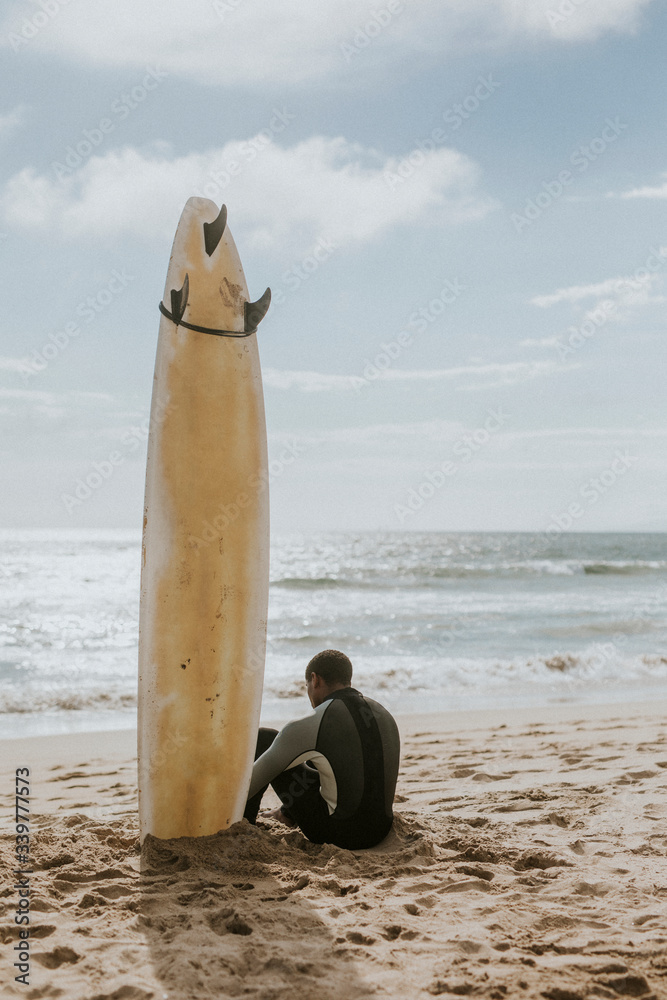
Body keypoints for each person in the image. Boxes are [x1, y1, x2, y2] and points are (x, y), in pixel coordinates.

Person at [244, 649, 400, 849]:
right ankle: (286, 814)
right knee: (323, 756)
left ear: (314, 679)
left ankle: (243, 824)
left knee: (265, 737)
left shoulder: (316, 720)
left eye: (307, 685)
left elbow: (251, 783)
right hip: (381, 830)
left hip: (340, 835)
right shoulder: (382, 712)